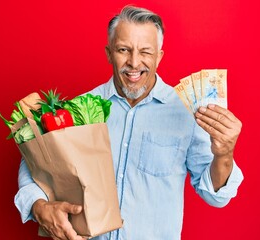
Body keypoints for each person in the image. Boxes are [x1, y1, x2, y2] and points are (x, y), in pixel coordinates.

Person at [15, 5, 244, 240]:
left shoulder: (186, 113)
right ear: (108, 53)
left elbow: (217, 196)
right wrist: (38, 205)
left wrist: (224, 155)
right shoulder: (80, 109)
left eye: (145, 51)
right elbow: (34, 167)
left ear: (159, 56)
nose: (134, 62)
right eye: (124, 49)